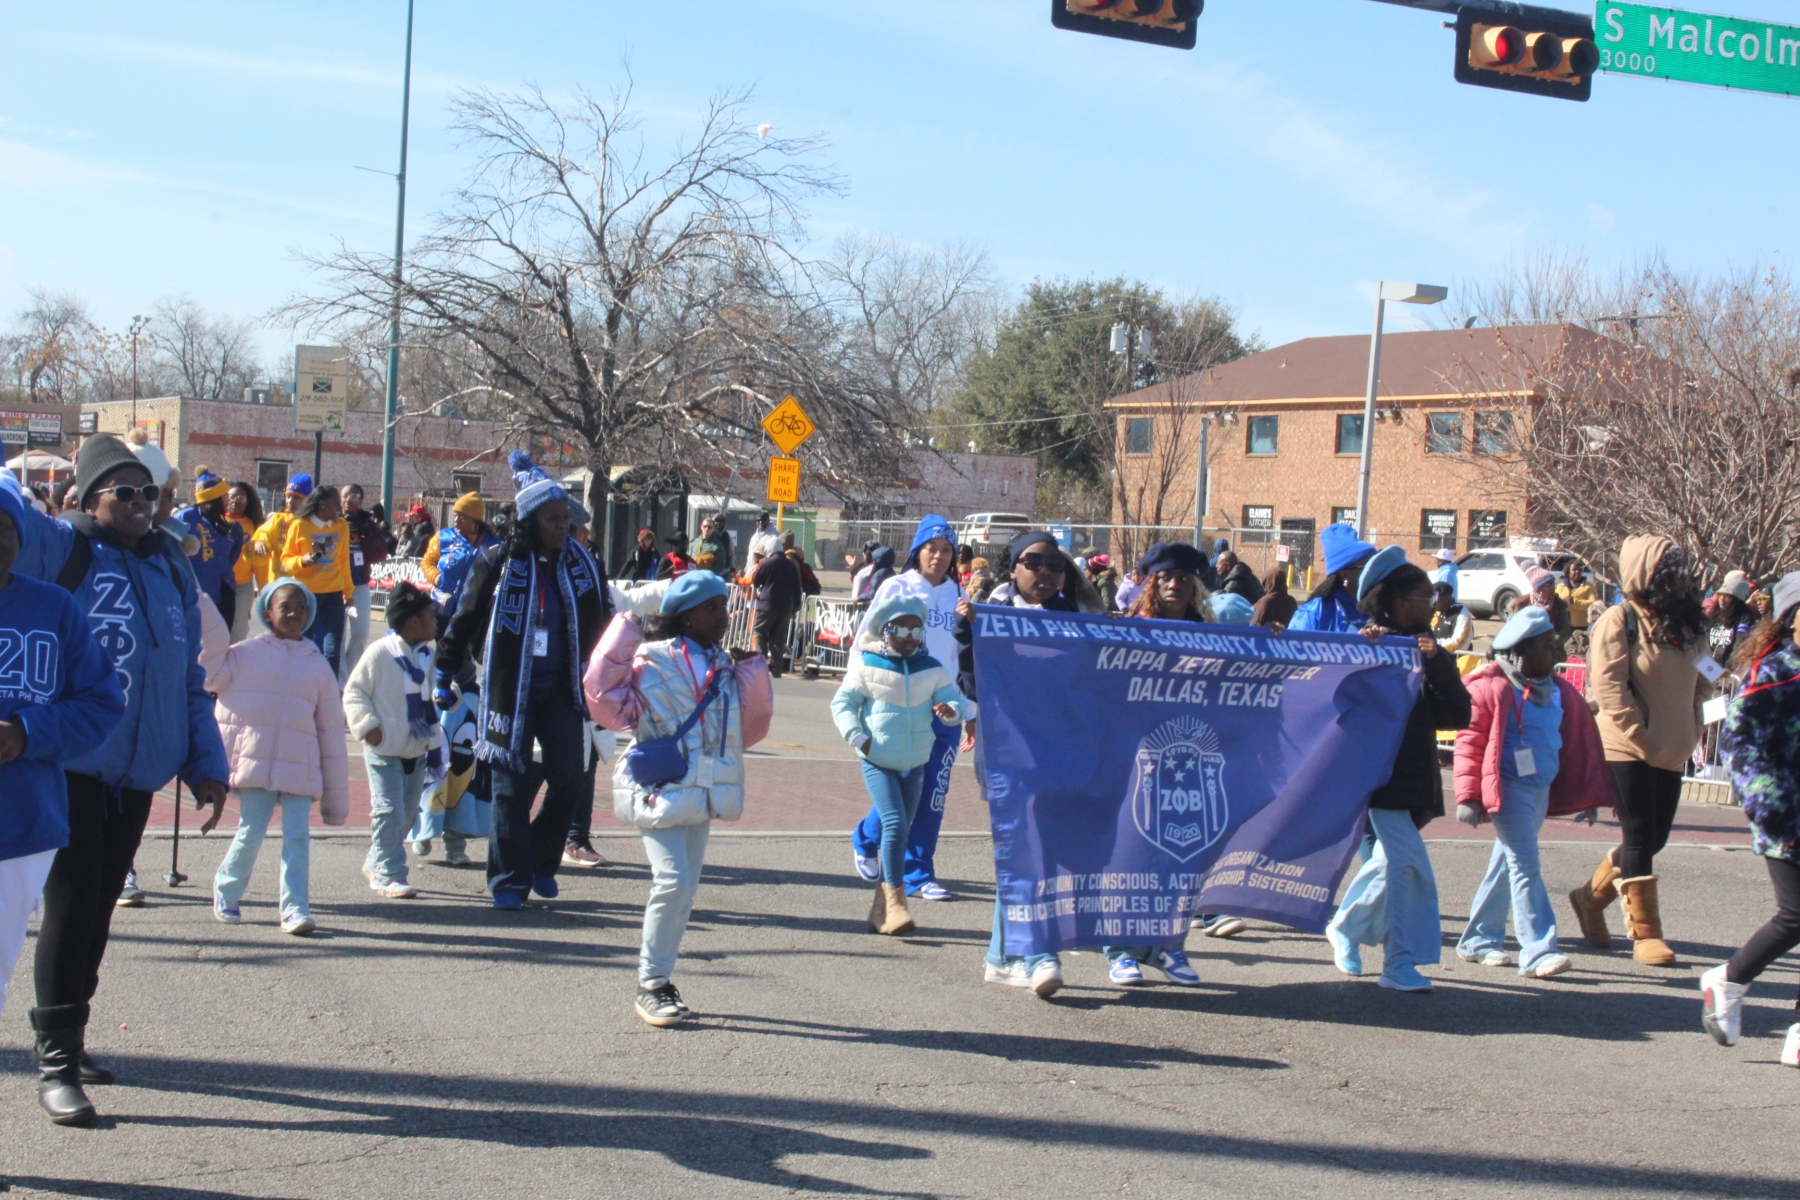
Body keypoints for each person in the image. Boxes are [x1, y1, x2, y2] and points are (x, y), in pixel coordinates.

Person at [12, 434, 230, 1126]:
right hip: (71, 763)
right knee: (72, 907)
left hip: (139, 772)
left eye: (150, 492)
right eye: (124, 492)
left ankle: (71, 1039)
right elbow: (13, 522)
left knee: (100, 909)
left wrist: (204, 763)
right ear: (89, 498)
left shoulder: (171, 567)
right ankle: (55, 1064)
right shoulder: (62, 548)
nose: (142, 503)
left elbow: (189, 676)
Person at [585, 570, 773, 1026]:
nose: (724, 616)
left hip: (702, 792)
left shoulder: (725, 665)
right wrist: (626, 629)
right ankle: (651, 985)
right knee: (671, 882)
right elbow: (604, 700)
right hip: (660, 789)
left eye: (724, 606)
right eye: (712, 607)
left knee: (684, 891)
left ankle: (660, 979)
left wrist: (753, 675)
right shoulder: (650, 658)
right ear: (686, 615)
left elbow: (746, 732)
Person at [0, 473, 125, 1130]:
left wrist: (27, 734)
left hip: (22, 827)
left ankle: (57, 1067)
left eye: (4, 528)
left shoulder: (52, 609)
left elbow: (102, 702)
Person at [435, 452, 610, 909]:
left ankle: (540, 860)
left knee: (569, 778)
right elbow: (464, 615)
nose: (563, 526)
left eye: (565, 518)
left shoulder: (583, 563)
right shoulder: (498, 560)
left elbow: (603, 621)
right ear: (530, 521)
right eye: (553, 519)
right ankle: (508, 880)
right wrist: (445, 669)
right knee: (510, 786)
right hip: (509, 688)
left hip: (564, 688)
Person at [1324, 545, 1471, 993]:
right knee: (1407, 866)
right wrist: (1365, 655)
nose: (1435, 603)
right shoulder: (1369, 644)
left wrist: (1437, 662)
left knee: (1388, 866)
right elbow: (1336, 704)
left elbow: (1458, 714)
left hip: (1415, 778)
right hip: (1378, 779)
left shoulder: (1426, 649)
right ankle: (1399, 962)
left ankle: (1346, 927)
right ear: (1399, 602)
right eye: (1426, 597)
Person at [1569, 535, 1711, 967]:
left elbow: (1706, 675)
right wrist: (1641, 734)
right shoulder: (1620, 619)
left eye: (1683, 572)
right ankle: (1646, 934)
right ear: (1648, 576)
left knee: (1656, 837)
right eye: (1673, 573)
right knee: (1639, 833)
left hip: (1674, 746)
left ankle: (1589, 898)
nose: (1683, 580)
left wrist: (1695, 723)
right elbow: (1610, 687)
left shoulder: (1689, 624)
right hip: (1626, 745)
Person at [1454, 606, 1613, 979]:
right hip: (1507, 791)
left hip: (1539, 791)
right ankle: (1538, 951)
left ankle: (1478, 939)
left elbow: (1577, 745)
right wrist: (1467, 796)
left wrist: (1588, 796)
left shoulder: (1559, 692)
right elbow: (1469, 742)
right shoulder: (1491, 687)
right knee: (1525, 866)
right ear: (1521, 651)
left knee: (1504, 866)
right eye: (1546, 645)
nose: (1555, 651)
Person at [981, 533, 1103, 999]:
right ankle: (1037, 954)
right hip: (1010, 754)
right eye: (1033, 562)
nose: (1045, 572)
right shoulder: (987, 616)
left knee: (1034, 849)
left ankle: (1001, 956)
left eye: (1055, 564)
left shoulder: (1079, 620)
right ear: (1013, 568)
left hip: (1062, 752)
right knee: (1031, 847)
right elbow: (967, 676)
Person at [209, 579, 349, 934]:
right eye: (285, 606)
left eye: (301, 607)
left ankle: (295, 909)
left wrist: (335, 800)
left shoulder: (317, 665)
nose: (294, 613)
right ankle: (227, 890)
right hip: (255, 762)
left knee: (297, 838)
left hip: (300, 767)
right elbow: (209, 677)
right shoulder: (243, 653)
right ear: (267, 612)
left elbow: (331, 731)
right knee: (251, 832)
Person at [849, 516, 976, 903]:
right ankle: (866, 838)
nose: (938, 556)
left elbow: (965, 658)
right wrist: (862, 692)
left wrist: (970, 711)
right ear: (918, 551)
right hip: (901, 703)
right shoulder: (897, 587)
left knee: (932, 790)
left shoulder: (959, 596)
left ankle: (919, 873)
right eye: (931, 549)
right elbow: (865, 640)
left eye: (946, 550)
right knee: (904, 789)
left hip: (945, 707)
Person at [833, 593, 975, 936]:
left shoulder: (932, 668)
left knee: (901, 828)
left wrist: (951, 712)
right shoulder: (868, 667)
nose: (909, 637)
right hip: (878, 760)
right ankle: (896, 904)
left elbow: (953, 701)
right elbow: (842, 703)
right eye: (901, 629)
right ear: (885, 631)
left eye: (916, 630)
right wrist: (858, 738)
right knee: (895, 823)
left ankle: (880, 911)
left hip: (916, 762)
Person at [1705, 570, 1800, 1066]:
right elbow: (1740, 746)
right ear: (1791, 619)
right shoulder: (1775, 673)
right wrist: (1775, 811)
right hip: (1787, 818)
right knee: (1795, 917)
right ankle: (1728, 981)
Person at [344, 582, 440, 900]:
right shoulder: (380, 653)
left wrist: (446, 695)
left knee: (408, 814)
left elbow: (435, 690)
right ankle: (389, 873)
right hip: (384, 748)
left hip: (417, 748)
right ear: (413, 621)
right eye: (430, 615)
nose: (436, 621)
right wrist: (368, 726)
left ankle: (376, 860)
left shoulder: (428, 656)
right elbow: (355, 692)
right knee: (389, 811)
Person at [278, 484, 354, 676]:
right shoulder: (299, 525)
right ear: (321, 504)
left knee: (332, 649)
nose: (339, 508)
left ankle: (328, 688)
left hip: (333, 595)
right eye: (335, 504)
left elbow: (344, 560)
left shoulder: (341, 525)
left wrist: (348, 592)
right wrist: (302, 561)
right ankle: (302, 684)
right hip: (306, 595)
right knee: (305, 645)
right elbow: (286, 561)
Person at [175, 471, 243, 634]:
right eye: (225, 495)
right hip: (195, 595)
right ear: (215, 497)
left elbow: (232, 557)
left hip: (225, 592)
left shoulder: (233, 527)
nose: (229, 499)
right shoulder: (184, 518)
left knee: (222, 639)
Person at [1288, 524, 1376, 633]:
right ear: (1344, 575)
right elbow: (1295, 642)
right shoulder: (1314, 614)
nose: (1372, 572)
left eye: (1374, 566)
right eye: (1364, 567)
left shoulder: (1379, 610)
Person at [422, 493, 499, 615]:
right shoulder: (444, 537)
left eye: (462, 517)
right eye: (455, 515)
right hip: (441, 607)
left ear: (475, 521)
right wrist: (436, 577)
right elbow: (427, 562)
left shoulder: (493, 544)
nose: (456, 520)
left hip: (472, 611)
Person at [342, 484, 389, 678]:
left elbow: (380, 554)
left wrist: (367, 536)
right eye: (345, 495)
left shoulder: (368, 524)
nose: (348, 500)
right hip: (335, 585)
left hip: (359, 584)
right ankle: (339, 680)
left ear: (361, 501)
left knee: (361, 633)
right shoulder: (333, 520)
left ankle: (351, 674)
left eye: (353, 496)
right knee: (337, 636)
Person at [749, 537, 804, 676]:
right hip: (785, 607)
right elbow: (797, 587)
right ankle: (777, 668)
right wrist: (796, 606)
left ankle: (761, 664)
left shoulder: (767, 563)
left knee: (760, 631)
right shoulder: (791, 565)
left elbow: (756, 581)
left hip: (767, 605)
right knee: (778, 638)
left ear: (769, 550)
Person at [1125, 542, 1216, 624]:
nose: (1174, 585)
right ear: (1153, 585)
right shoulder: (1136, 627)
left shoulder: (1207, 631)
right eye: (1165, 577)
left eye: (1183, 578)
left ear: (1194, 587)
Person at [224, 483, 266, 641]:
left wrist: (263, 589)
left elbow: (259, 563)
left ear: (248, 501)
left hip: (242, 586)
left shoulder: (254, 526)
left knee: (238, 632)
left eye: (241, 497)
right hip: (218, 584)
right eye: (232, 496)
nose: (235, 500)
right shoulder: (217, 521)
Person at [252, 474, 311, 583]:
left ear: (307, 500)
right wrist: (259, 542)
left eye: (296, 498)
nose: (290, 501)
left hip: (302, 578)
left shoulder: (311, 522)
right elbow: (265, 532)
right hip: (277, 578)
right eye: (288, 496)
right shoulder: (278, 518)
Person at [1705, 570, 1756, 670]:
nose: (1722, 599)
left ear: (1737, 598)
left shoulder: (1746, 617)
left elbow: (1741, 644)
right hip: (1708, 669)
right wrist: (1707, 669)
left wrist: (1728, 668)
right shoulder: (1715, 615)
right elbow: (1705, 643)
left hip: (1729, 672)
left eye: (1727, 596)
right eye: (1720, 594)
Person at [1431, 581, 1473, 653]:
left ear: (1447, 598)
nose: (1432, 601)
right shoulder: (1433, 611)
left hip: (1453, 658)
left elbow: (1459, 643)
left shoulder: (1462, 614)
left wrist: (1433, 644)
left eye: (1435, 598)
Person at [1252, 565, 1298, 630]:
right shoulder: (1291, 601)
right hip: (1288, 636)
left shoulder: (1266, 601)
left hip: (1266, 636)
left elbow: (1253, 624)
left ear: (1268, 582)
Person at [1560, 560, 1597, 632]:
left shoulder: (1588, 586)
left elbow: (1593, 605)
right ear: (1568, 571)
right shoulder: (1560, 587)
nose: (1577, 571)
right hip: (1563, 626)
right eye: (1574, 570)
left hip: (1581, 627)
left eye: (1579, 569)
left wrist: (1574, 602)